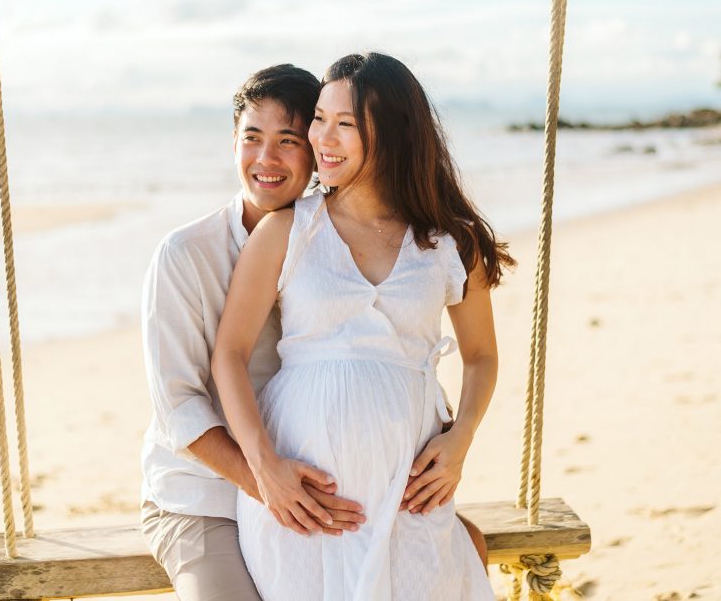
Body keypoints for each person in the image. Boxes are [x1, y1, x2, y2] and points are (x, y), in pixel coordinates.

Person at [212, 52, 514, 599]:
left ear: (393, 134)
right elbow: (228, 353)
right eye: (319, 119)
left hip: (409, 493)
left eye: (344, 124)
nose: (321, 137)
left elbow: (481, 357)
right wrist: (264, 468)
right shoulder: (288, 230)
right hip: (303, 504)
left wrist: (462, 439)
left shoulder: (449, 243)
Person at [139, 64, 367, 601]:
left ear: (316, 149)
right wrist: (265, 480)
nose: (266, 159)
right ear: (233, 145)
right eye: (252, 138)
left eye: (288, 141)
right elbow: (179, 408)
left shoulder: (344, 244)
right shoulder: (184, 254)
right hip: (206, 499)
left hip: (320, 491)